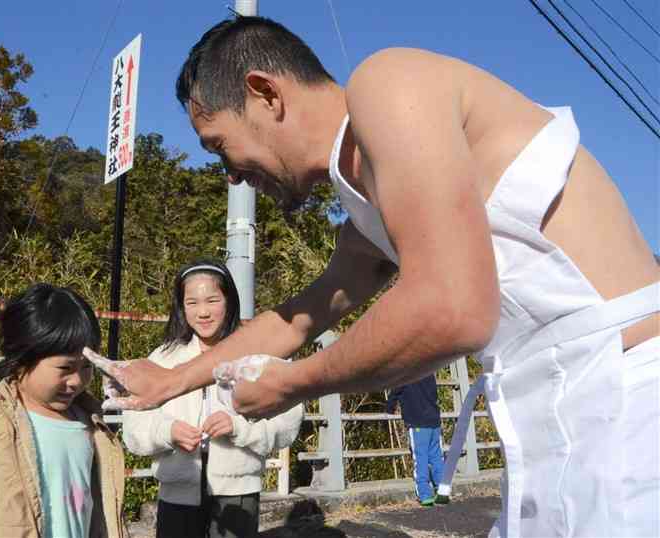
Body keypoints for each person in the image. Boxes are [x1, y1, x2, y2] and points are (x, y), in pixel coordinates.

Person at [88, 16, 659, 538]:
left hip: (631, 403)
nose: (232, 174)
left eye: (221, 146)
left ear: (265, 93)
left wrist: (292, 382)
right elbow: (294, 319)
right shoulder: (367, 205)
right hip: (553, 423)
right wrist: (171, 381)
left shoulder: (388, 82)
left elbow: (450, 307)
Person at [0, 283, 128, 538]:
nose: (77, 380)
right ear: (22, 360)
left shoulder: (91, 427)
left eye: (86, 367)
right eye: (65, 369)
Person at [121, 259, 303, 538]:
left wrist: (239, 427)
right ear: (181, 307)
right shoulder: (163, 358)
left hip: (238, 493)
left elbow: (287, 423)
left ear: (229, 300)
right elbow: (134, 429)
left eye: (212, 300)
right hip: (176, 494)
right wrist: (167, 431)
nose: (203, 312)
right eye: (192, 302)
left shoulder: (259, 355)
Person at [386, 376, 445, 507]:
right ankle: (442, 492)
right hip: (434, 421)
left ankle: (425, 495)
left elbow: (395, 391)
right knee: (437, 457)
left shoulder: (406, 372)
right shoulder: (430, 371)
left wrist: (390, 408)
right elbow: (434, 394)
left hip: (417, 422)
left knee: (420, 458)